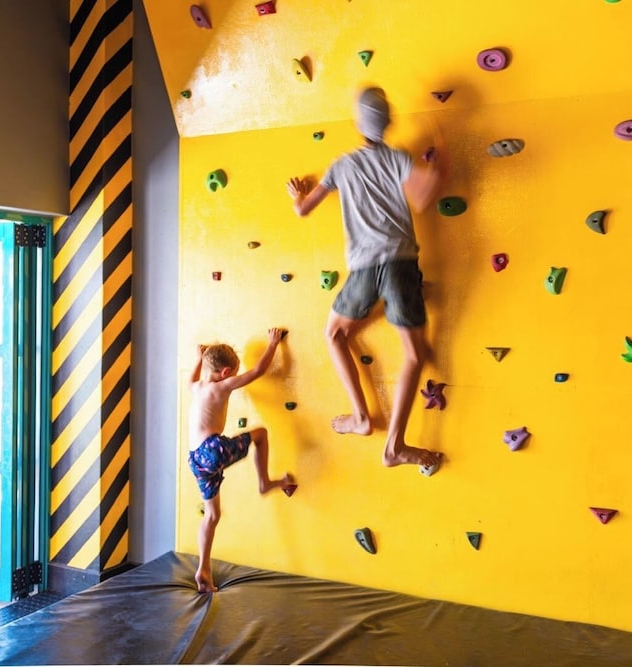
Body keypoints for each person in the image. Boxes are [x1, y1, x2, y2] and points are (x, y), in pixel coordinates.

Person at [287, 86, 445, 472]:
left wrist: (296, 197)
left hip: (363, 270)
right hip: (400, 266)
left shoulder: (341, 166)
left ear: (359, 124)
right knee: (414, 355)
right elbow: (423, 198)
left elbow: (303, 210)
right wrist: (439, 161)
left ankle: (360, 417)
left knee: (334, 335)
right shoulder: (398, 158)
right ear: (387, 123)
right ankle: (395, 446)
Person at [188, 327, 296, 593]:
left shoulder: (196, 387)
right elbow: (258, 371)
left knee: (212, 515)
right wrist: (273, 344)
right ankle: (264, 482)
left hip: (195, 459)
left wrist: (198, 358)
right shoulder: (223, 386)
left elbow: (192, 376)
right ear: (226, 373)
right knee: (260, 434)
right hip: (212, 450)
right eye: (234, 372)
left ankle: (203, 569)